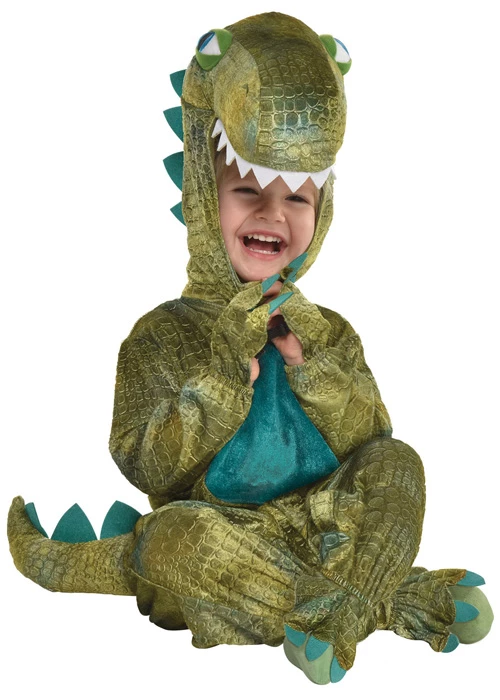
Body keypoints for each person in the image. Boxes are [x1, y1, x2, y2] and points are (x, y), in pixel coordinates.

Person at [8, 11, 492, 686]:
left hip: (326, 520)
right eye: (246, 192)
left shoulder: (327, 329)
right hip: (229, 540)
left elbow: (370, 441)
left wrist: (312, 366)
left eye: (297, 198)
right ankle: (380, 600)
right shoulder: (161, 332)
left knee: (400, 463)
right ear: (208, 199)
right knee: (169, 541)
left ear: (323, 211)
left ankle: (336, 612)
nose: (272, 214)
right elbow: (148, 465)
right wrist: (225, 373)